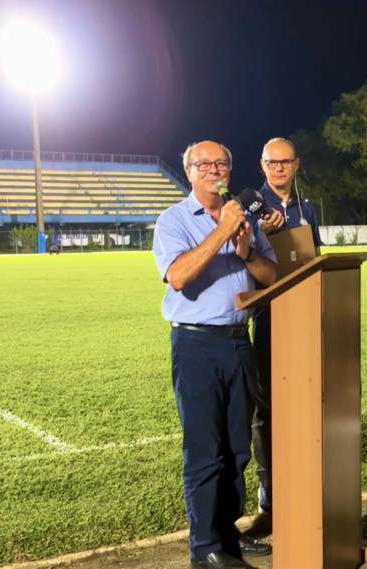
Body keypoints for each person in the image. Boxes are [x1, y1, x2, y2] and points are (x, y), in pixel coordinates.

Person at [152, 141, 276, 569]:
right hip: (196, 344)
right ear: (189, 172)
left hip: (239, 340)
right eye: (203, 164)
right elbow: (178, 276)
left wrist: (247, 252)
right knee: (206, 448)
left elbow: (271, 276)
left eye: (220, 162)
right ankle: (204, 547)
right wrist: (222, 231)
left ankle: (227, 534)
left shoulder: (245, 219)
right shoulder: (173, 220)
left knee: (237, 449)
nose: (213, 169)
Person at [251, 136, 322, 515]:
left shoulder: (306, 208)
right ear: (262, 165)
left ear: (296, 165)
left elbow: (316, 258)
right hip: (268, 318)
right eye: (271, 162)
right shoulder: (248, 207)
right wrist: (260, 232)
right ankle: (269, 483)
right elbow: (241, 259)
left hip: (304, 318)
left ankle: (301, 471)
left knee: (304, 399)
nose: (278, 168)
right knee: (266, 405)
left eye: (284, 162)